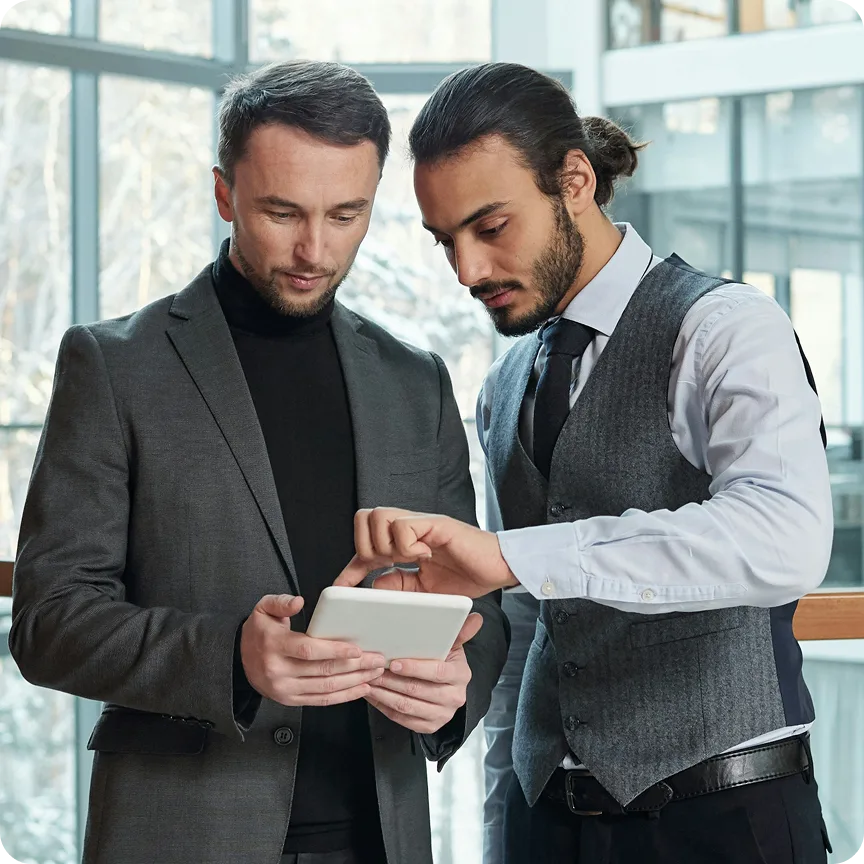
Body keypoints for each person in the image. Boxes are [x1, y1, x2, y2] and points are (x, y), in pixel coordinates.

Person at [10, 60, 508, 864]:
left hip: (379, 838)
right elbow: (48, 622)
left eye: (347, 214)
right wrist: (230, 660)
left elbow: (479, 611)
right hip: (181, 837)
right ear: (223, 195)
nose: (315, 248)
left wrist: (456, 690)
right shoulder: (113, 367)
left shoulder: (415, 383)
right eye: (282, 212)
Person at [336, 62, 834, 864]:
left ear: (573, 180)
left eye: (490, 227)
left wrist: (508, 556)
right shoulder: (505, 383)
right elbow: (532, 622)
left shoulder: (724, 328)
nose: (467, 271)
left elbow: (784, 538)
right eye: (445, 241)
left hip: (725, 818)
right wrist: (506, 815)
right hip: (547, 825)